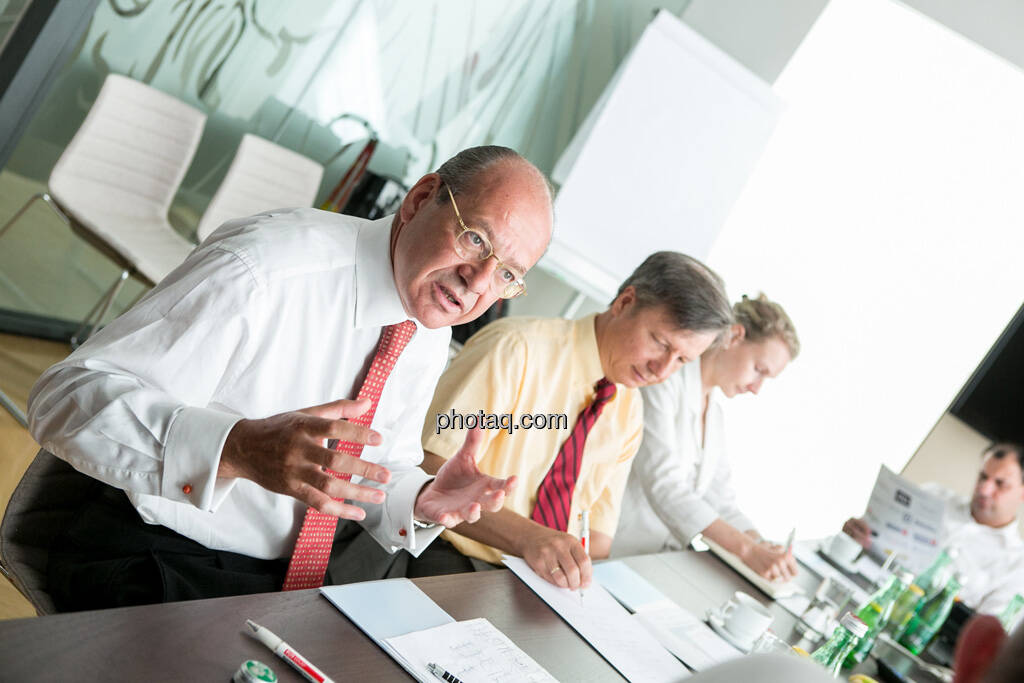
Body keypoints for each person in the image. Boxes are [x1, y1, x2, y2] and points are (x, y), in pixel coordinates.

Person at [27, 145, 554, 610]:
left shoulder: (428, 315)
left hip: (277, 583)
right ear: (419, 200)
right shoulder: (265, 266)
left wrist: (419, 499)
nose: (480, 281)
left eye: (507, 274)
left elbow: (372, 464)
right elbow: (62, 398)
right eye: (474, 238)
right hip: (154, 554)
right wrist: (235, 449)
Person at [396, 251, 734, 591]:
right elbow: (426, 465)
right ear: (625, 302)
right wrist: (530, 538)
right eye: (660, 343)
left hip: (539, 583)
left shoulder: (628, 408)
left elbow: (598, 538)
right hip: (450, 556)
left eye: (681, 360)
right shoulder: (517, 348)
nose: (661, 370)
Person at [611, 293, 801, 583]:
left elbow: (722, 501)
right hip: (611, 548)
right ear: (735, 336)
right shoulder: (664, 381)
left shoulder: (714, 417)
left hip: (651, 563)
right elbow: (664, 483)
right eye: (758, 370)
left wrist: (760, 545)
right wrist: (746, 550)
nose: (756, 388)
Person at [843, 443, 1024, 615]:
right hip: (863, 594)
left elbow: (985, 630)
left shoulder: (1018, 564)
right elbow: (871, 543)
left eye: (1000, 484)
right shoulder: (933, 496)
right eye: (983, 476)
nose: (984, 489)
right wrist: (858, 536)